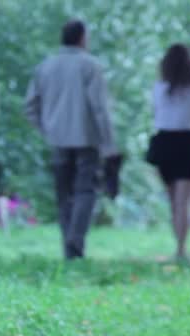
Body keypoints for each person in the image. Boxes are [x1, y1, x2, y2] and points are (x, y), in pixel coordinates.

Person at [25, 20, 117, 259]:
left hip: (57, 139)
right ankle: (75, 242)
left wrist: (46, 129)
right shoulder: (90, 65)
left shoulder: (46, 66)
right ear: (82, 37)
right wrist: (109, 144)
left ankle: (70, 244)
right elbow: (99, 108)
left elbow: (30, 106)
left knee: (63, 193)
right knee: (85, 191)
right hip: (87, 139)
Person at [150, 44, 190, 260]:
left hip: (164, 142)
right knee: (183, 201)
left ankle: (179, 247)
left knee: (173, 200)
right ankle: (181, 249)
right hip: (188, 142)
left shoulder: (159, 87)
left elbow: (155, 113)